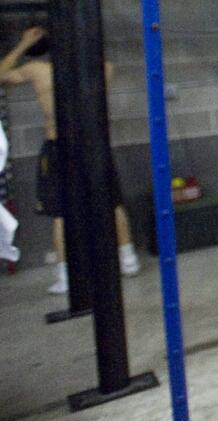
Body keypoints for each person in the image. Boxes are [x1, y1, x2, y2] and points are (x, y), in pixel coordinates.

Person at [0, 26, 140, 293]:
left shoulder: (39, 71)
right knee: (111, 202)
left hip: (60, 146)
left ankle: (67, 277)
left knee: (62, 213)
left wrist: (22, 45)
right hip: (93, 144)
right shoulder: (103, 68)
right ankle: (128, 259)